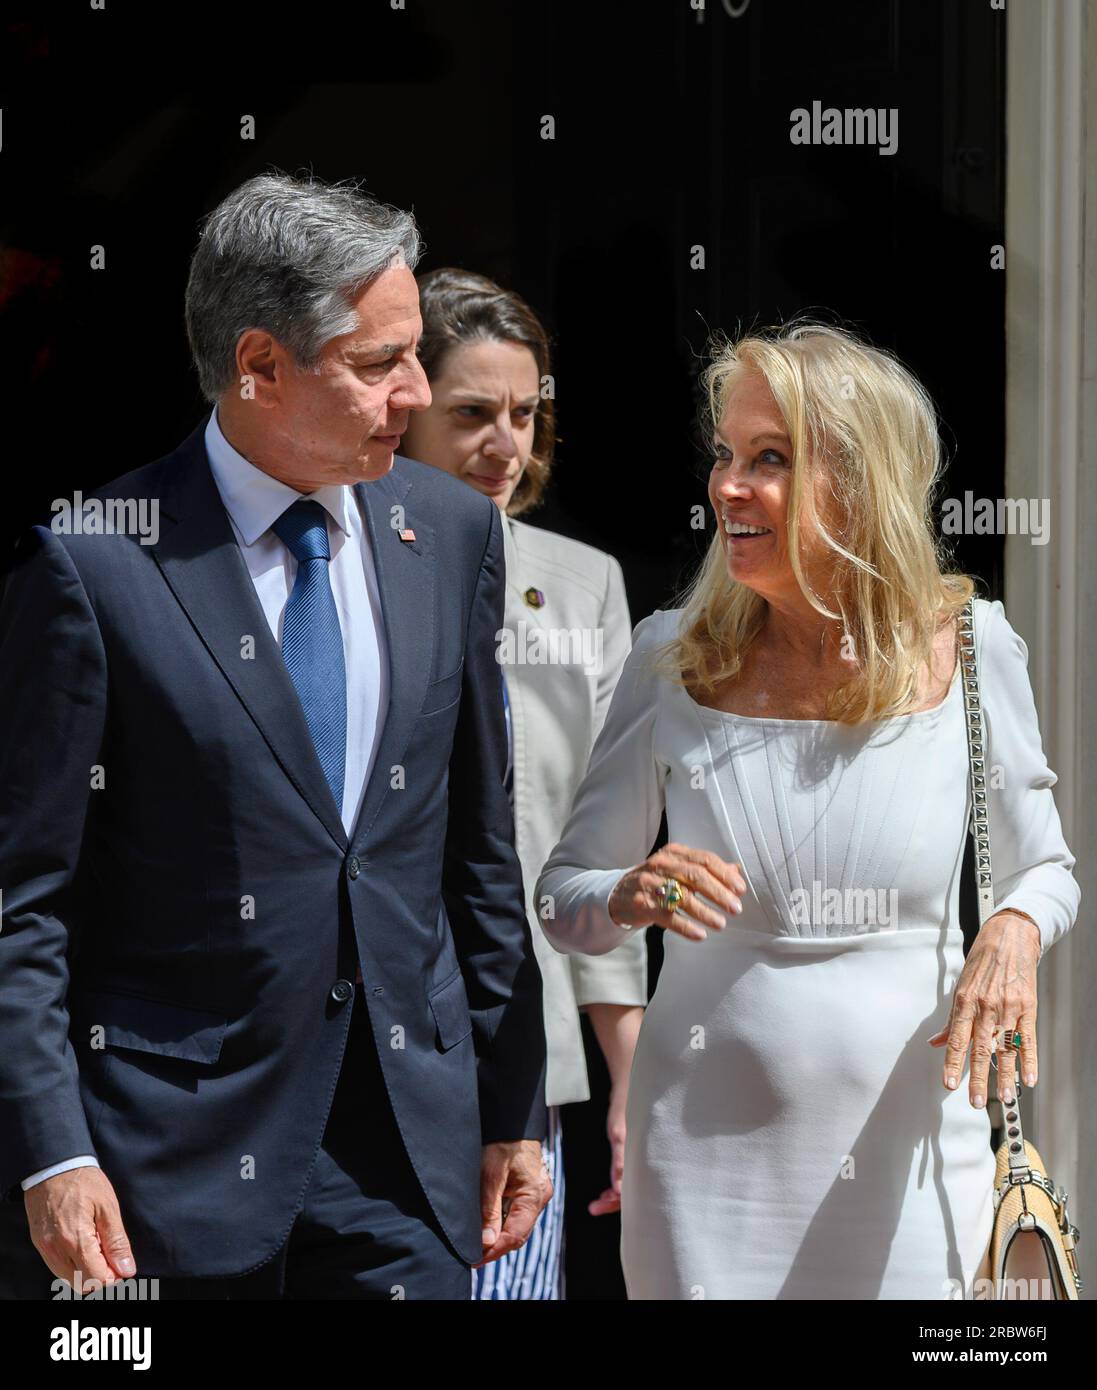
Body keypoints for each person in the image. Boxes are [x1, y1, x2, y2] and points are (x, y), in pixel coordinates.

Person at [0, 171, 551, 1300]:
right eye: (377, 363)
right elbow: (24, 901)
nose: (413, 392)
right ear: (257, 366)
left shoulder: (449, 535)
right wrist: (52, 1148)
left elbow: (476, 853)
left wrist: (510, 1106)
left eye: (414, 353)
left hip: (403, 1158)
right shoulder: (97, 563)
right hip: (161, 1168)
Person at [535, 321, 1081, 1300]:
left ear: (859, 484)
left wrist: (1010, 926)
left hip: (914, 1157)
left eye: (769, 459)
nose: (726, 486)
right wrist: (630, 889)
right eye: (725, 455)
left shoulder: (972, 646)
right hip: (698, 1171)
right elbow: (563, 897)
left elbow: (1047, 869)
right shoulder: (668, 657)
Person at [401, 268, 646, 1299]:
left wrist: (627, 1074)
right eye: (470, 415)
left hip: (516, 1060)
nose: (503, 442)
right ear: (403, 411)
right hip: (362, 1044)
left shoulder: (582, 584)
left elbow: (599, 849)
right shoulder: (334, 573)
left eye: (522, 412)